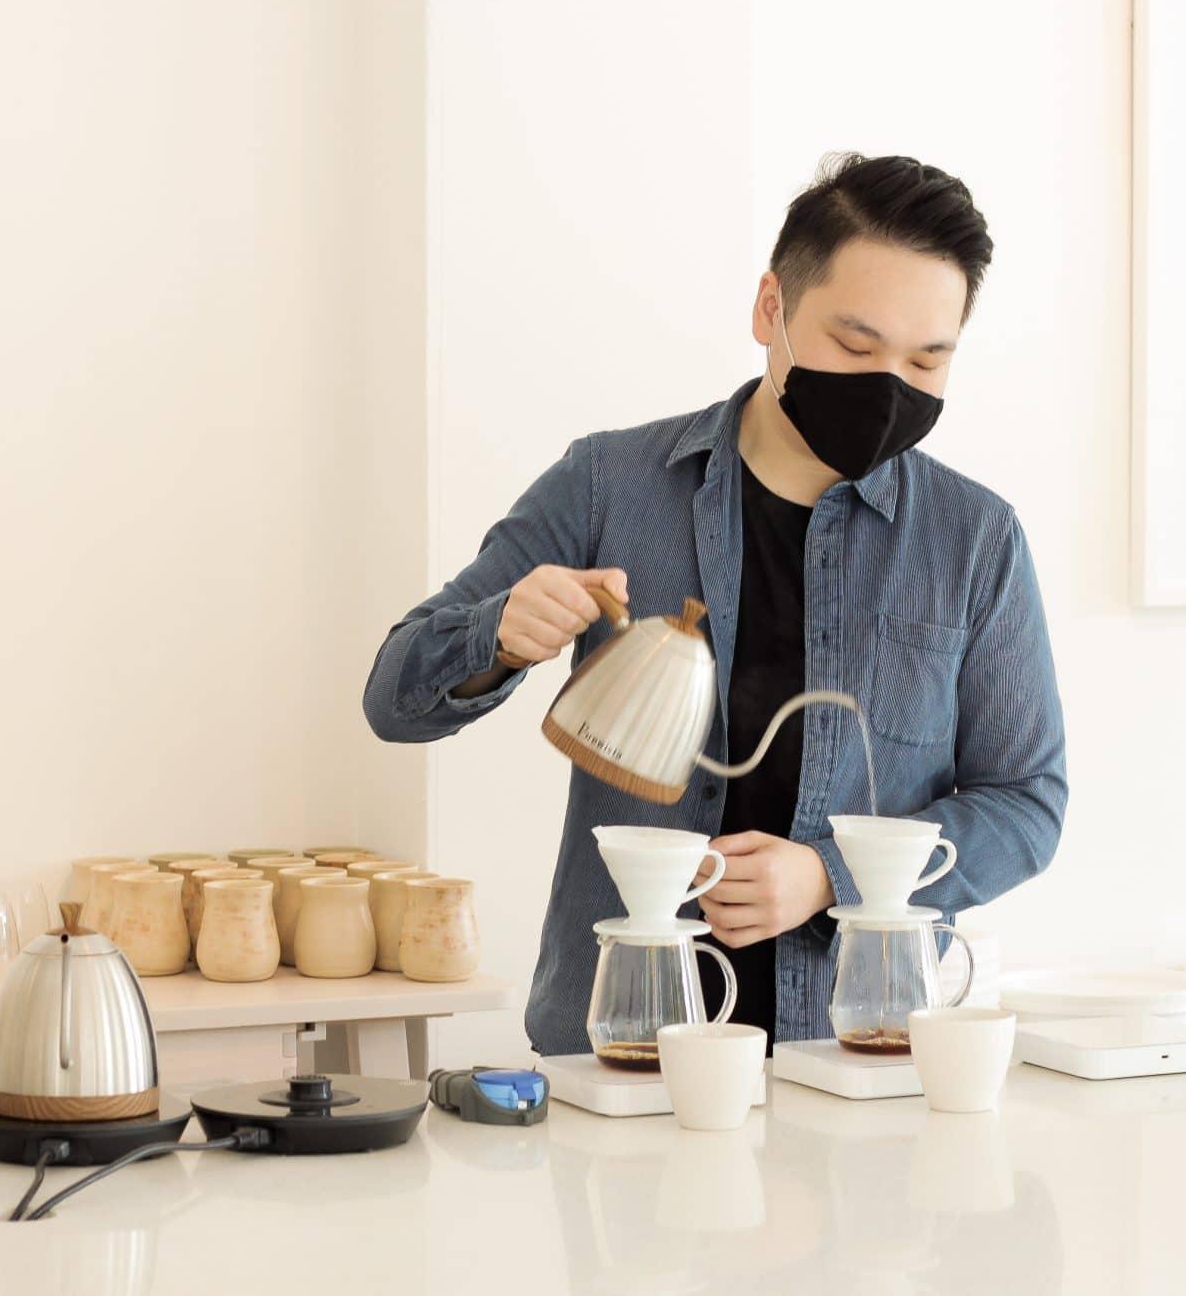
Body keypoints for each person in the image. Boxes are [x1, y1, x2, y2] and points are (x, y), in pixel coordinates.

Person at [363, 152, 1067, 1055]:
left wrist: (830, 874)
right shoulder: (608, 486)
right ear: (770, 307)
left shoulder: (975, 539)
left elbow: (1027, 801)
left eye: (927, 359)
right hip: (622, 1056)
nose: (889, 385)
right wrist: (496, 636)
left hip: (861, 1058)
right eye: (856, 346)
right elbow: (392, 700)